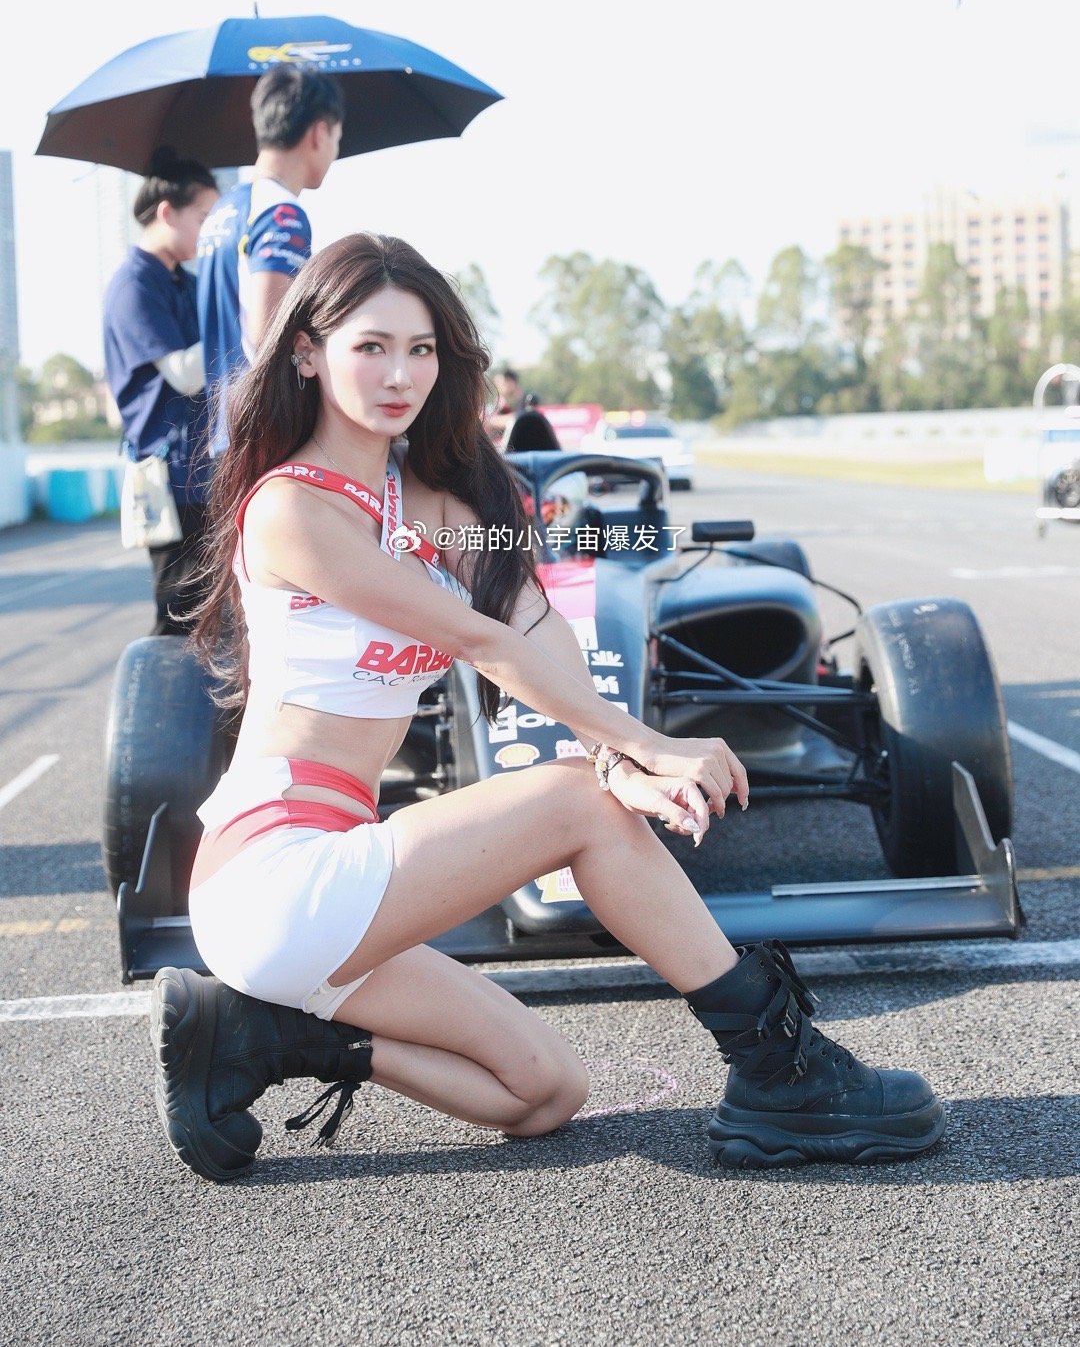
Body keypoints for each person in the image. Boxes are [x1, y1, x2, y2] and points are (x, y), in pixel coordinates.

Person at [150, 233, 945, 1182]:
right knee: (577, 803)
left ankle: (271, 1037)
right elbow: (479, 640)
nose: (400, 374)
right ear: (309, 353)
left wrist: (614, 757)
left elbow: (529, 618)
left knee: (543, 1092)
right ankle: (781, 1071)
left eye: (421, 348)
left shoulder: (430, 501)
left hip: (334, 899)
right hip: (273, 876)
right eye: (372, 347)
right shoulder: (292, 509)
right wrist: (646, 748)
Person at [195, 63, 344, 455]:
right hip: (264, 429)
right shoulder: (281, 212)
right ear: (319, 133)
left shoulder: (222, 209)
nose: (335, 152)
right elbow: (269, 332)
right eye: (337, 138)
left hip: (224, 427)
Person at [103, 150, 219, 634]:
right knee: (179, 616)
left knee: (210, 615)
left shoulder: (180, 281)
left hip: (200, 472)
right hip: (170, 478)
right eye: (203, 218)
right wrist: (242, 326)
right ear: (168, 212)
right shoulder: (134, 286)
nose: (208, 232)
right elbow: (186, 374)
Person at [483, 365, 525, 445]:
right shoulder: (503, 403)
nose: (498, 388)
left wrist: (491, 421)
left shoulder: (526, 401)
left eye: (500, 384)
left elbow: (521, 419)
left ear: (510, 383)